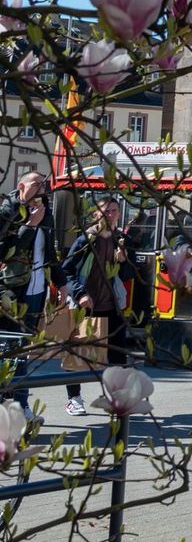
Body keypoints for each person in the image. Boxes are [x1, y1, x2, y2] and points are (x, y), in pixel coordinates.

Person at [1, 174, 65, 419]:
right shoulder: (8, 210)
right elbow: (3, 252)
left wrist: (61, 283)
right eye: (36, 184)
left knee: (23, 350)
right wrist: (29, 226)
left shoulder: (45, 212)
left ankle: (19, 405)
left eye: (43, 185)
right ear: (21, 186)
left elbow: (49, 252)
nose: (41, 189)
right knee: (9, 349)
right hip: (10, 291)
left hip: (36, 290)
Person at [61, 197, 132, 417]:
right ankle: (74, 399)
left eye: (114, 211)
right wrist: (80, 294)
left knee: (118, 356)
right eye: (106, 211)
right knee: (78, 354)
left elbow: (129, 275)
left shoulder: (122, 239)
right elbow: (66, 270)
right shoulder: (86, 239)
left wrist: (124, 261)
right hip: (86, 305)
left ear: (119, 214)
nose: (110, 215)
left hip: (112, 305)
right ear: (96, 214)